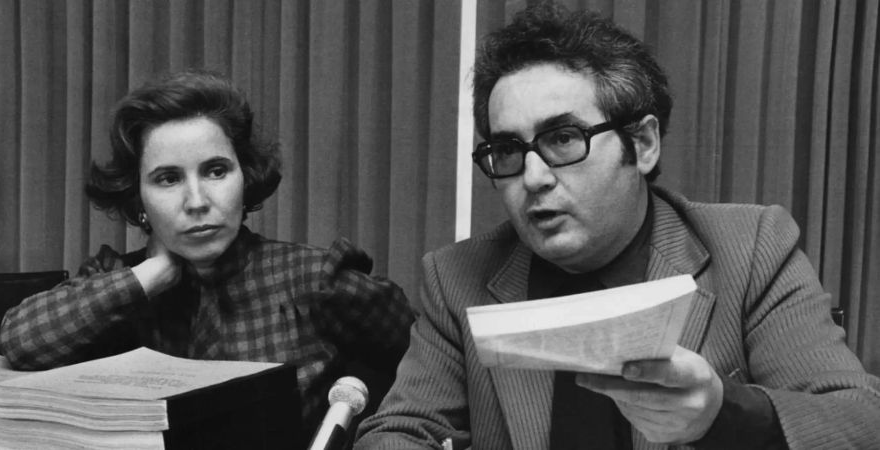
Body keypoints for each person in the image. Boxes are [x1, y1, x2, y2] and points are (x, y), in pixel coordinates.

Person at [356, 3, 880, 449]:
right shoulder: (457, 276)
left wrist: (724, 413)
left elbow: (860, 421)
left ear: (643, 144)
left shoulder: (750, 249)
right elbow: (399, 429)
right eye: (509, 150)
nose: (533, 177)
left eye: (562, 138)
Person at [0, 70, 414, 434]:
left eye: (216, 171)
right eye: (167, 179)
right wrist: (150, 274)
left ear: (244, 177)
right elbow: (22, 342)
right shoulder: (115, 280)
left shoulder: (317, 278)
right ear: (138, 197)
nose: (196, 201)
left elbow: (418, 356)